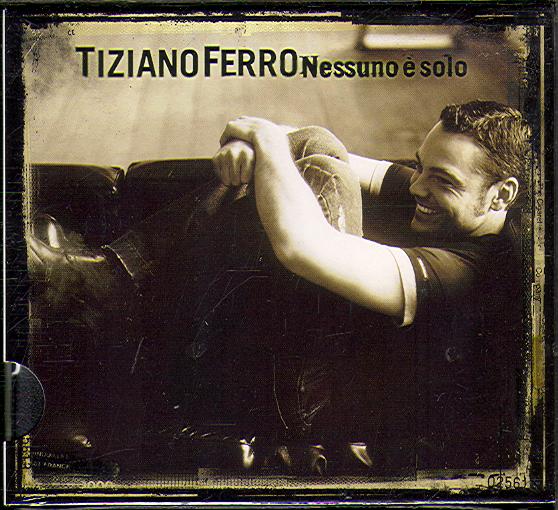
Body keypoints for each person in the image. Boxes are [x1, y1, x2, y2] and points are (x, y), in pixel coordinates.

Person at [28, 100, 530, 472]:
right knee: (319, 150)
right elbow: (309, 140)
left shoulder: (470, 275)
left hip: (309, 408)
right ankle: (101, 280)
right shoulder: (450, 205)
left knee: (318, 171)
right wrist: (247, 141)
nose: (417, 185)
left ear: (501, 194)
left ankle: (99, 285)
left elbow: (301, 247)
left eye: (442, 179)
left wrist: (264, 141)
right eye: (419, 166)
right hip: (290, 358)